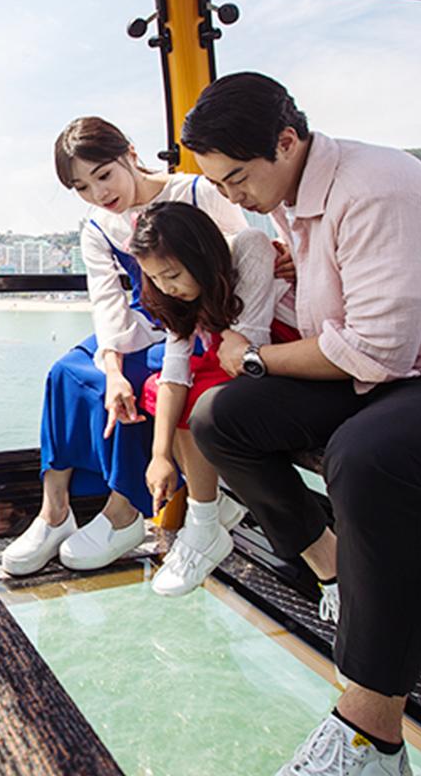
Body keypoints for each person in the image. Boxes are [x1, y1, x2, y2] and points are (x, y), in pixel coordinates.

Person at [179, 72, 421, 776]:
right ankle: (336, 573)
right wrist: (295, 278)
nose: (233, 195)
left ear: (286, 139)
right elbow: (356, 323)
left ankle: (371, 736)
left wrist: (255, 359)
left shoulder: (376, 188)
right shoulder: (291, 195)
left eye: (238, 177)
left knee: (367, 457)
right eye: (221, 182)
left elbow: (374, 350)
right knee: (219, 418)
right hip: (402, 375)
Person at [2, 117, 250, 577]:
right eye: (82, 186)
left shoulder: (197, 193)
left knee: (140, 383)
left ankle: (125, 510)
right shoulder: (98, 227)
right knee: (66, 373)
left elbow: (243, 262)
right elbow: (107, 302)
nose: (99, 193)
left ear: (130, 154)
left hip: (197, 325)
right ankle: (54, 512)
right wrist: (112, 368)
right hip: (140, 327)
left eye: (104, 175)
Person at [126, 202, 278, 597]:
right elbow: (175, 371)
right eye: (156, 278)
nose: (166, 287)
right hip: (228, 354)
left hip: (270, 353)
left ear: (199, 255)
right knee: (158, 387)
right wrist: (159, 456)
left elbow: (250, 340)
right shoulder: (179, 295)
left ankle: (205, 520)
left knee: (198, 392)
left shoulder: (249, 246)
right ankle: (207, 509)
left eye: (173, 274)